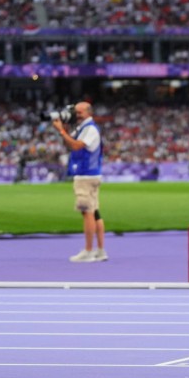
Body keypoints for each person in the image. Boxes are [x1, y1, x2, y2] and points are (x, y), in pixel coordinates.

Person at [53, 101, 108, 263]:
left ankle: (89, 251)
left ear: (88, 112)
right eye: (75, 111)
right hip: (90, 174)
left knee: (87, 212)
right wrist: (64, 130)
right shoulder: (84, 127)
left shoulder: (90, 129)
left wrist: (61, 131)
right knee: (95, 212)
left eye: (79, 112)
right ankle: (100, 251)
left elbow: (76, 146)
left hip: (86, 175)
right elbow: (71, 143)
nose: (76, 115)